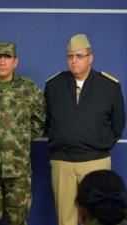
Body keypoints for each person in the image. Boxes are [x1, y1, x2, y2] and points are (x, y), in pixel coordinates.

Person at [45, 34, 125, 225]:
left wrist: (98, 145)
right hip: (62, 163)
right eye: (70, 56)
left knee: (99, 218)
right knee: (65, 219)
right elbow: (47, 121)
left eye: (79, 56)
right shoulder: (54, 85)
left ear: (91, 58)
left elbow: (118, 124)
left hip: (96, 162)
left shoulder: (109, 86)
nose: (74, 61)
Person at [0, 42, 46, 225]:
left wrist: (20, 139)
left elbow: (40, 119)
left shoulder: (29, 88)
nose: (2, 62)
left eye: (7, 57)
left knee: (18, 221)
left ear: (15, 62)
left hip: (18, 169)